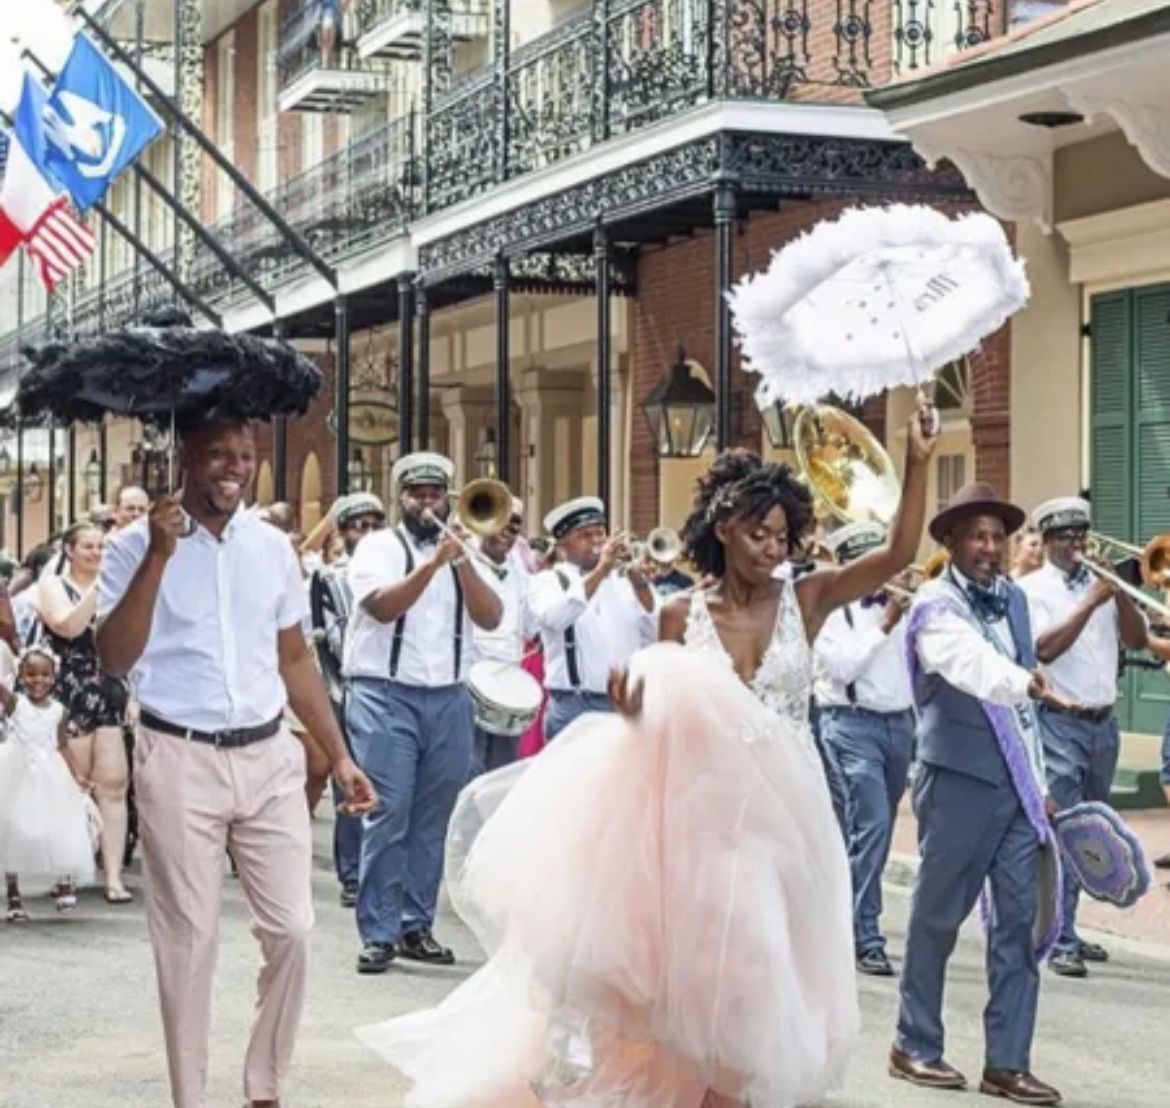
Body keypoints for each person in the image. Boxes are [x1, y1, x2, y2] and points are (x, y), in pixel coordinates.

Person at [356, 405, 937, 1107]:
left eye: (783, 535)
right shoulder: (677, 613)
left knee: (765, 975)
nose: (773, 547)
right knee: (698, 983)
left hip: (786, 818)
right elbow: (661, 713)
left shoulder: (806, 598)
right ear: (723, 530)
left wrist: (919, 458)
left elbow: (899, 554)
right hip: (701, 819)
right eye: (759, 532)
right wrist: (634, 706)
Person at [95, 418, 376, 1108]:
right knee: (189, 943)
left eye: (246, 455)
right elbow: (113, 657)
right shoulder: (133, 546)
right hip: (177, 754)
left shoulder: (274, 549)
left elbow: (293, 657)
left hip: (266, 753)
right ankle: (190, 1097)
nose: (235, 467)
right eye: (219, 452)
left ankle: (265, 1086)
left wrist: (339, 756)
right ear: (184, 454)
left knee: (294, 932)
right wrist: (159, 556)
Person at [891, 483, 1065, 1107]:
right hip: (958, 781)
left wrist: (1040, 787)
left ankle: (1008, 1062)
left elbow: (1027, 721)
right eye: (978, 536)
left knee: (1019, 922)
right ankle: (914, 1043)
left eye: (998, 536)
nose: (990, 547)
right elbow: (967, 665)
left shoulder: (1015, 601)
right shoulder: (934, 605)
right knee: (937, 918)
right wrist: (1028, 682)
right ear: (952, 543)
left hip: (1017, 789)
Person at [343, 452, 503, 975]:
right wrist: (431, 566)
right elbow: (382, 607)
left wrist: (459, 563)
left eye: (437, 494)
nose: (428, 503)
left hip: (448, 695)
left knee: (434, 818)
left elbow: (491, 615)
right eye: (418, 494)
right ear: (401, 498)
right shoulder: (377, 546)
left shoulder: (462, 550)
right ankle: (379, 931)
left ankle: (416, 925)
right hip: (385, 693)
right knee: (389, 812)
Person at [1018, 497, 1147, 978]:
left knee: (1093, 829)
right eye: (1067, 537)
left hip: (1103, 724)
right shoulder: (1030, 590)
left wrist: (1121, 594)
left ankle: (1066, 925)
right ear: (1048, 540)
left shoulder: (1103, 589)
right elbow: (1043, 649)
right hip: (1058, 723)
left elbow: (1134, 641)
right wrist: (1091, 600)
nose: (1077, 544)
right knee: (1070, 829)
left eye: (1082, 536)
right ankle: (1061, 937)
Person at [813, 521, 915, 978]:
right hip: (850, 723)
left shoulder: (901, 606)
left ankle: (839, 920)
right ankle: (864, 933)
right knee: (870, 824)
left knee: (876, 828)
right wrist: (886, 626)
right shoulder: (832, 611)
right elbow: (841, 666)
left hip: (900, 725)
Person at [36, 521, 131, 903]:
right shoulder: (52, 586)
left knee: (114, 785)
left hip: (108, 686)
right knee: (71, 786)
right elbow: (68, 625)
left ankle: (113, 877)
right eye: (88, 547)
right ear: (69, 551)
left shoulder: (121, 589)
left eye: (102, 547)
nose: (96, 554)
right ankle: (67, 873)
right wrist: (98, 588)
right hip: (70, 690)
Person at [308, 491, 386, 909]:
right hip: (344, 685)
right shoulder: (328, 578)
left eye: (375, 525)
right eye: (359, 526)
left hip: (389, 686)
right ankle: (353, 871)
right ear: (342, 532)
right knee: (350, 780)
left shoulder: (397, 570)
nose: (368, 533)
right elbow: (325, 637)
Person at [528, 497, 658, 741]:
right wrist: (602, 571)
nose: (597, 542)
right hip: (575, 705)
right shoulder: (546, 582)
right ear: (562, 545)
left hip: (626, 702)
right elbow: (555, 617)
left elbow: (656, 633)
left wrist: (642, 588)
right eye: (585, 536)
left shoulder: (625, 582)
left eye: (600, 533)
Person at [0, 645, 95, 921]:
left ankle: (64, 879)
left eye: (44, 674)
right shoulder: (16, 703)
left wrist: (77, 775)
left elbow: (62, 745)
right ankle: (14, 895)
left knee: (59, 826)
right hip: (15, 773)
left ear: (54, 677)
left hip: (51, 774)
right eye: (30, 674)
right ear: (20, 675)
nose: (37, 680)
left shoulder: (59, 711)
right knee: (12, 830)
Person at [471, 495, 537, 773]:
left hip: (507, 683)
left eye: (514, 527)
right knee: (468, 771)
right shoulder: (463, 561)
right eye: (499, 524)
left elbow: (531, 625)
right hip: (469, 682)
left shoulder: (520, 571)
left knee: (500, 774)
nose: (505, 534)